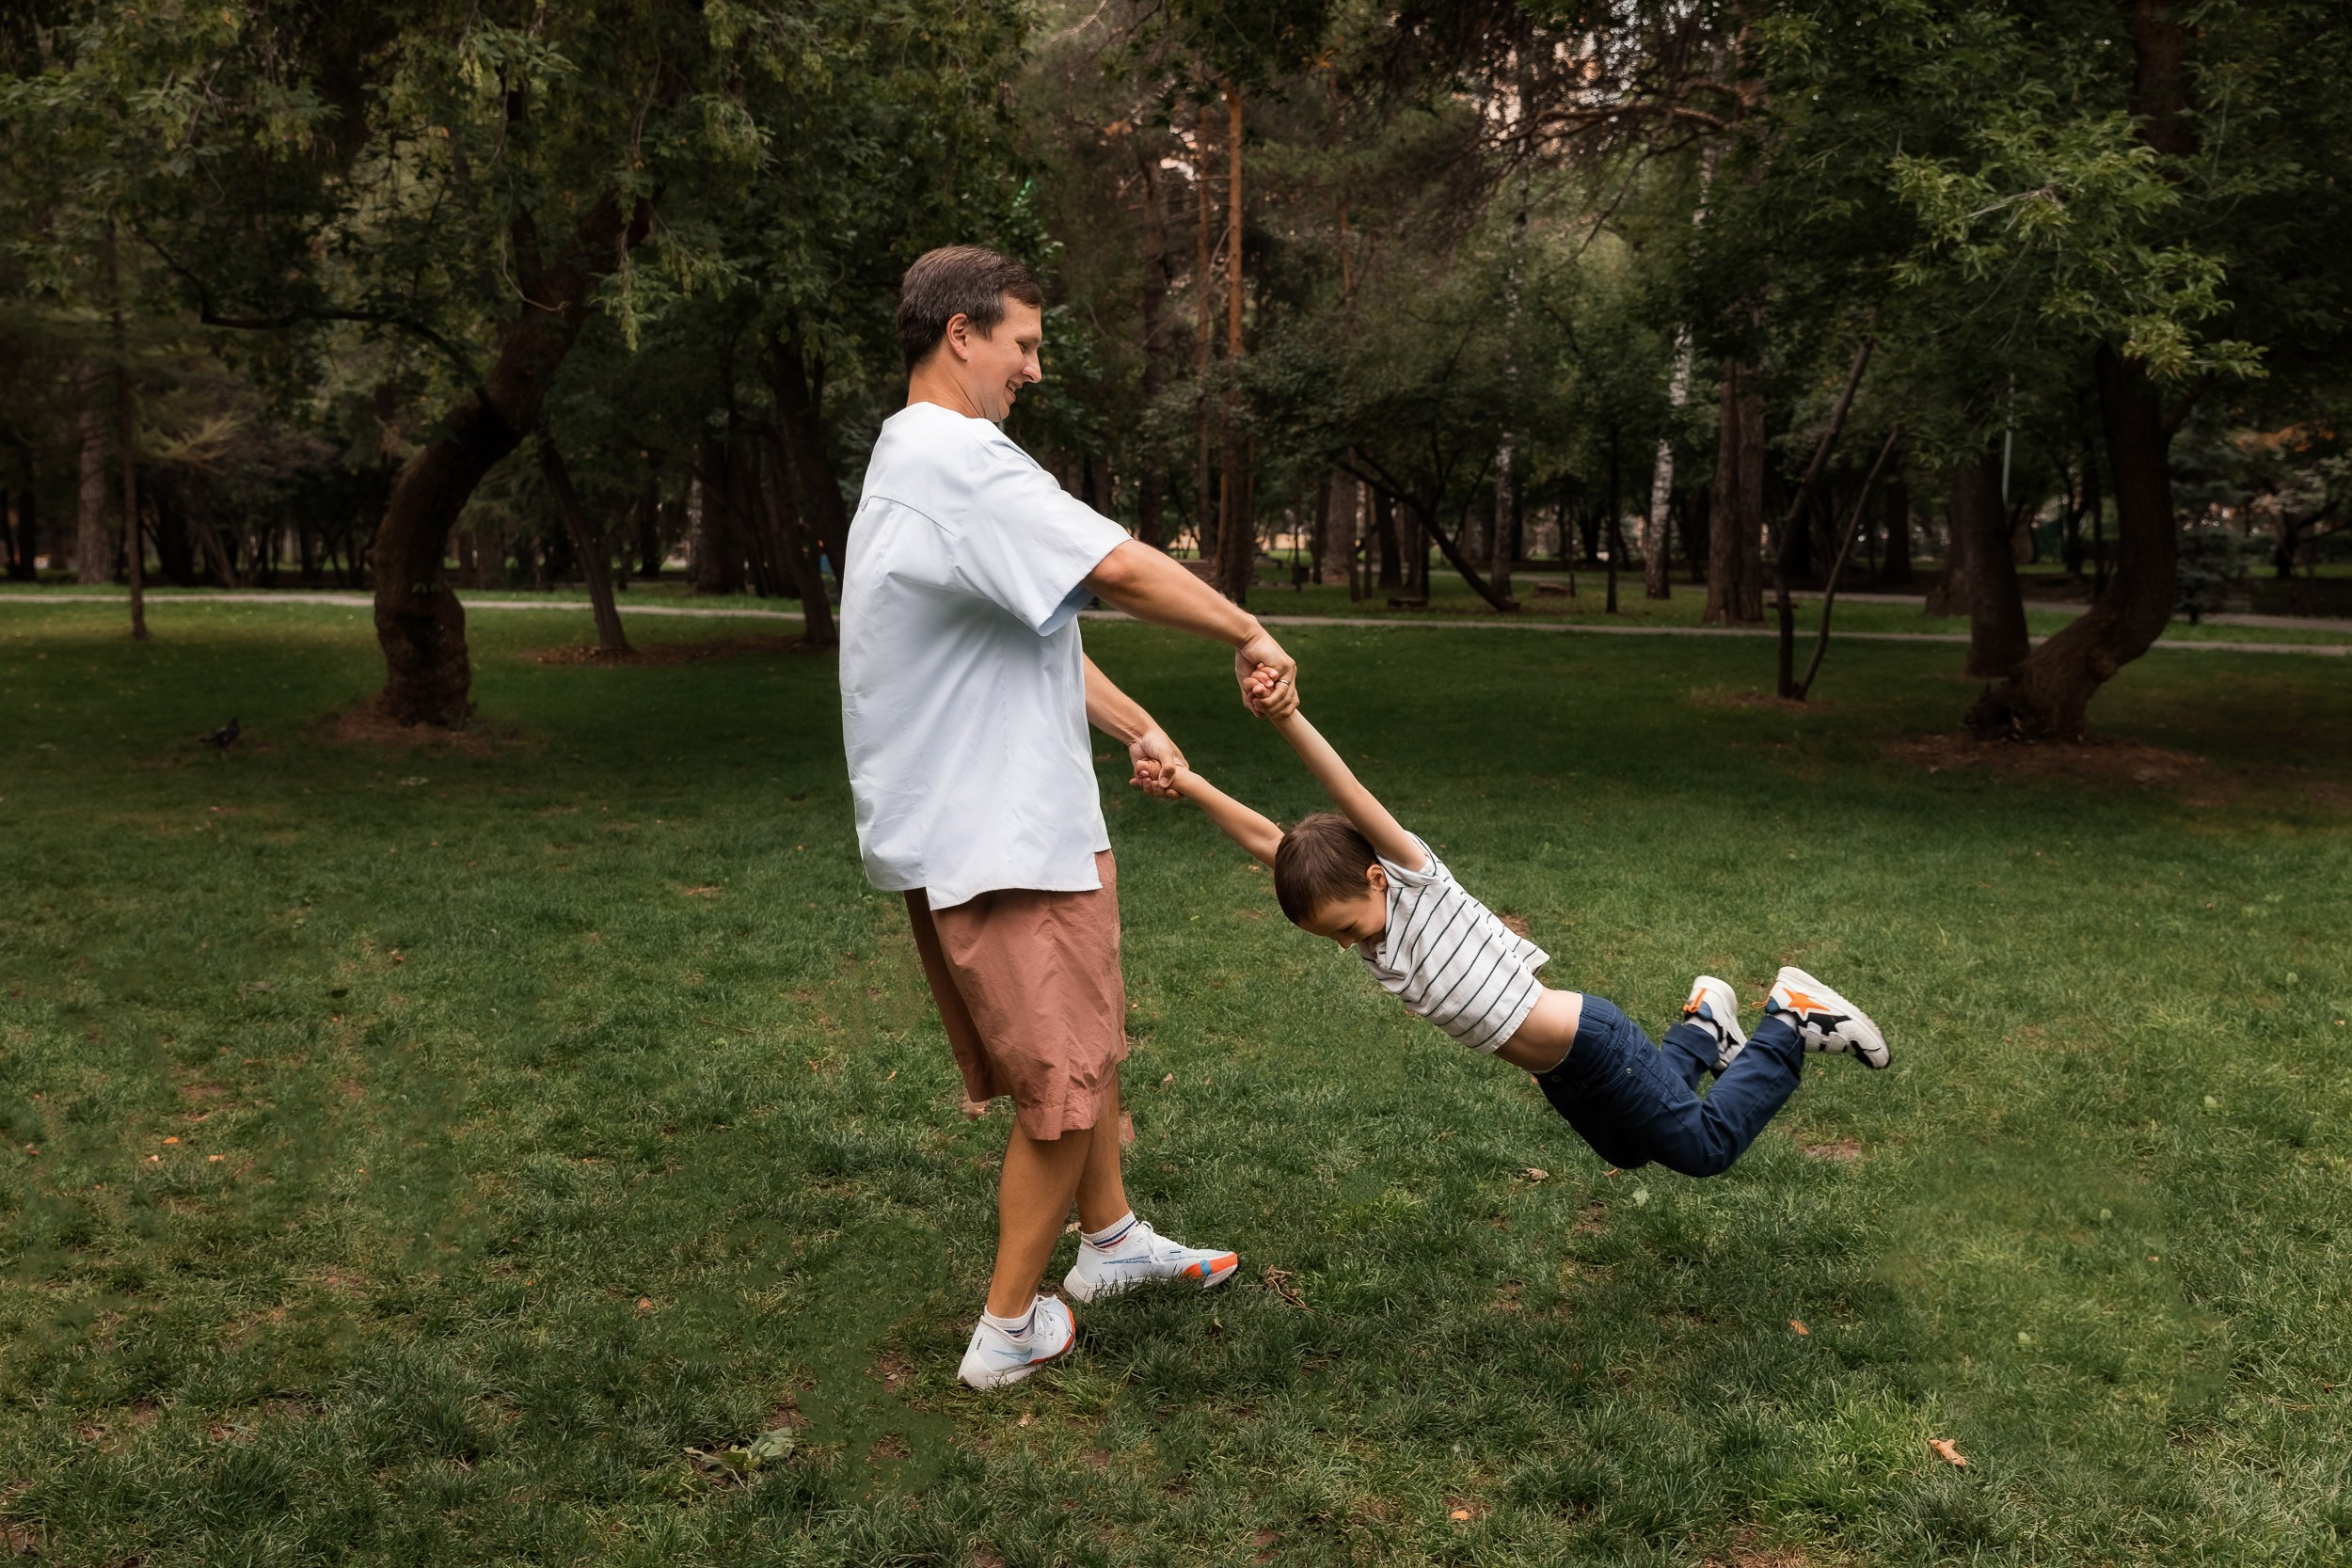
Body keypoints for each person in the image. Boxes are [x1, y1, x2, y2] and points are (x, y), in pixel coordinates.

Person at [839, 245, 1304, 1390]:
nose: (1033, 370)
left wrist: (1135, 722)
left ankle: (1110, 1243)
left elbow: (1031, 626)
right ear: (961, 334)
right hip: (997, 828)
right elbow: (1119, 567)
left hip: (994, 815)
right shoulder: (958, 457)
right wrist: (1246, 626)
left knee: (1080, 1043)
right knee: (1059, 1078)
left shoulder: (914, 459)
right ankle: (1008, 1329)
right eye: (1024, 345)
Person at [1147, 680, 1890, 1180]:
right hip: (1561, 1071)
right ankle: (1702, 1027)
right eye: (1332, 939)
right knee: (1630, 1153)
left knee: (1702, 1147)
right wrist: (1184, 781)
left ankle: (1790, 1018)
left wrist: (1283, 717)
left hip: (1592, 1042)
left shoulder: (1413, 879)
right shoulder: (1354, 910)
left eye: (1345, 927)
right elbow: (1262, 838)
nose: (1349, 946)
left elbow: (1345, 787)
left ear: (1376, 877)